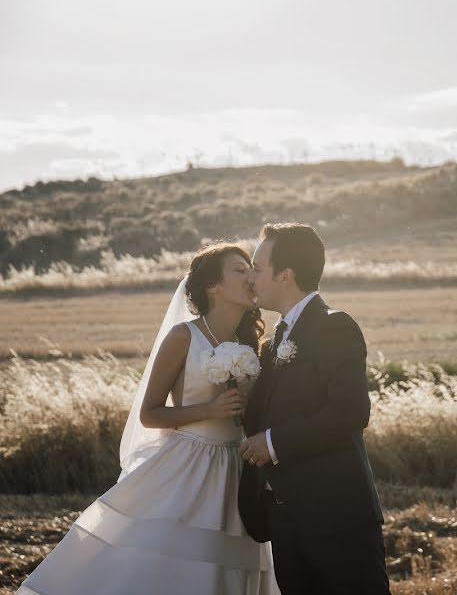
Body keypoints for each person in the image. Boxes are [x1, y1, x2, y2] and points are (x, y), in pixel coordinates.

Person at [17, 242, 280, 595]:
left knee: (231, 567)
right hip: (189, 468)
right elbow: (149, 413)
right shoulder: (184, 336)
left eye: (252, 267)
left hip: (236, 470)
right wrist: (207, 411)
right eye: (239, 268)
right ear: (212, 285)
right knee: (174, 567)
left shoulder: (250, 343)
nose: (250, 275)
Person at [238, 222, 390, 594]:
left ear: (285, 275)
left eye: (257, 267)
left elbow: (350, 412)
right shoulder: (275, 338)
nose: (251, 278)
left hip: (337, 517)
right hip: (285, 519)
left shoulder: (333, 327)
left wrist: (272, 443)